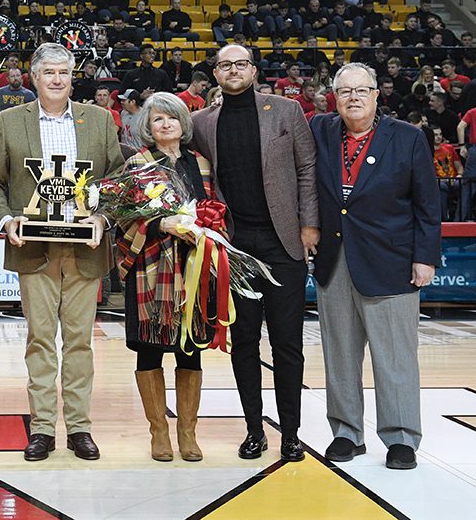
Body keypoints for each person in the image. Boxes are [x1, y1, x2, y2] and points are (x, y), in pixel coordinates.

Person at [0, 43, 124, 462]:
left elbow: (117, 179)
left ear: (72, 76)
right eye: (48, 72)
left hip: (84, 248)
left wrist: (102, 218)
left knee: (80, 342)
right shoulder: (10, 121)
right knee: (40, 340)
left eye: (64, 72)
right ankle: (43, 428)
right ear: (33, 77)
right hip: (35, 249)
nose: (57, 79)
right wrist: (7, 222)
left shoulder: (99, 120)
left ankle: (79, 427)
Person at [309, 63, 440, 470]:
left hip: (392, 260)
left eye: (361, 90)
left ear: (376, 95)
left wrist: (425, 257)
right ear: (333, 96)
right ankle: (347, 432)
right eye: (344, 91)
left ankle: (401, 437)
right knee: (340, 354)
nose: (353, 98)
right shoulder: (320, 131)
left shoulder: (408, 137)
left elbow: (427, 204)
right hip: (336, 258)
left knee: (396, 357)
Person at [192, 44, 319, 462]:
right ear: (215, 73)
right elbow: (162, 141)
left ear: (253, 70)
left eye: (240, 63)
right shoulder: (202, 122)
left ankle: (291, 434)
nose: (233, 70)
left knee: (287, 344)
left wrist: (308, 224)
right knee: (243, 342)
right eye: (224, 64)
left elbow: (306, 169)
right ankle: (253, 430)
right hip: (235, 245)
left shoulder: (286, 111)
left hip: (284, 242)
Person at [118, 92, 214, 462]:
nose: (166, 124)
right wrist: (162, 223)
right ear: (148, 126)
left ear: (183, 123)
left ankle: (187, 433)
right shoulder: (138, 164)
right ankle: (159, 432)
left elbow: (214, 208)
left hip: (194, 267)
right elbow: (124, 216)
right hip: (150, 267)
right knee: (149, 350)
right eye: (157, 119)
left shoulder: (201, 163)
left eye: (171, 117)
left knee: (190, 351)